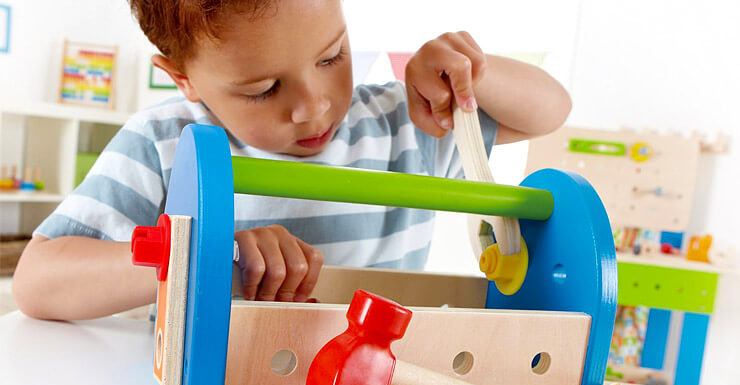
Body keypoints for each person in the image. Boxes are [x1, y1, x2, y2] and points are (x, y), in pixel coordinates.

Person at [13, 0, 571, 320]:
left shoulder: (408, 122)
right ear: (183, 77)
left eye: (332, 56)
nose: (314, 106)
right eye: (262, 89)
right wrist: (197, 252)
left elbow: (549, 110)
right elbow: (36, 281)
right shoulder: (166, 145)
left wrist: (472, 71)